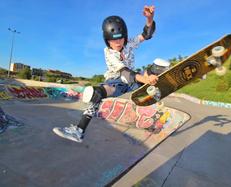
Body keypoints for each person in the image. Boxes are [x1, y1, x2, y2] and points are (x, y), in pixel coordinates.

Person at [53, 5, 168, 143]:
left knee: (158, 65)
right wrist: (144, 79)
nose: (118, 43)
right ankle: (79, 130)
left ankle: (156, 84)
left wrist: (150, 18)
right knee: (95, 94)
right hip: (116, 82)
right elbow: (124, 73)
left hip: (133, 80)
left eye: (121, 38)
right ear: (107, 40)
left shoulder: (130, 43)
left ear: (125, 36)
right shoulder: (108, 52)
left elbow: (146, 34)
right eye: (113, 40)